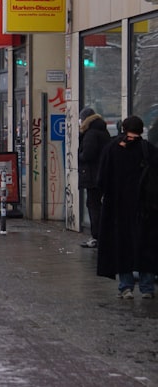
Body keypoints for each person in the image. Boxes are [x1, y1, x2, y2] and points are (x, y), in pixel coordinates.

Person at [96, 116, 158, 299]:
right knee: (147, 246)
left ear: (123, 128)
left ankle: (126, 287)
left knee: (122, 246)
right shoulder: (149, 150)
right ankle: (147, 288)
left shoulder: (112, 149)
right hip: (146, 208)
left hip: (119, 207)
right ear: (141, 129)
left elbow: (102, 179)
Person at [78, 106, 110, 248]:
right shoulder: (103, 131)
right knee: (98, 204)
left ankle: (96, 236)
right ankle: (103, 234)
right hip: (102, 174)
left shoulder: (91, 133)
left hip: (92, 175)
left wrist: (80, 156)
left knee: (93, 204)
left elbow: (88, 154)